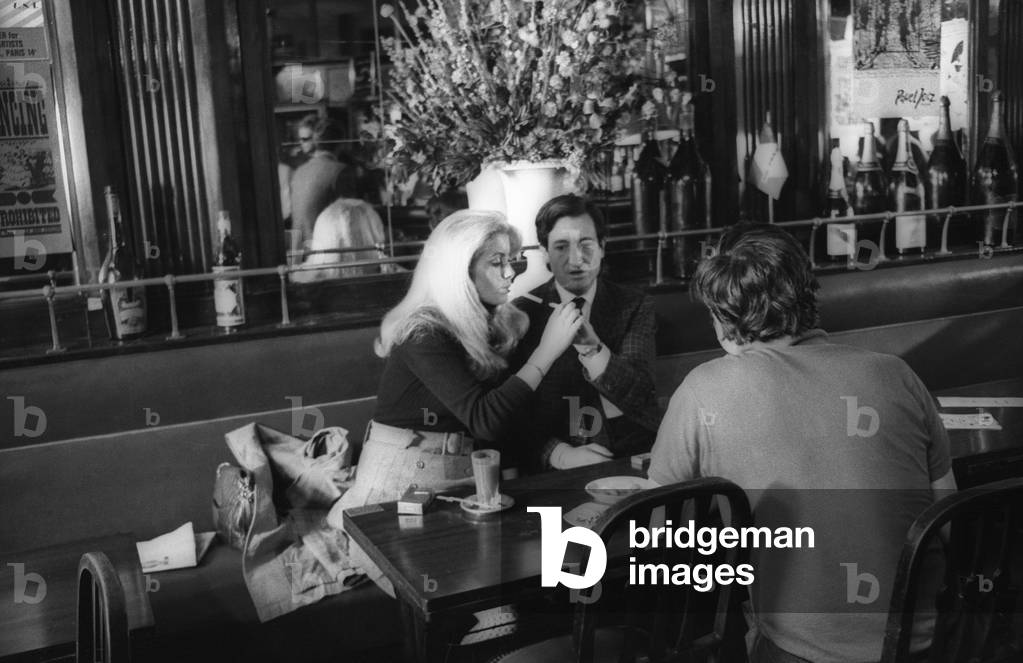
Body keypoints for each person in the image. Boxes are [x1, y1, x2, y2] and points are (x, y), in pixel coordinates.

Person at [648, 223, 956, 663]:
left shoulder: (703, 389)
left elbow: (657, 529)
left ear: (724, 318)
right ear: (808, 293)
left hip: (798, 653)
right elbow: (948, 521)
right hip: (925, 645)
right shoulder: (896, 373)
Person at [329, 209, 585, 512]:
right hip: (395, 489)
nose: (510, 273)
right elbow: (484, 420)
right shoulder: (422, 332)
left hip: (458, 482)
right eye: (496, 262)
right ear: (459, 271)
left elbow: (506, 420)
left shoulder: (490, 322)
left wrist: (561, 455)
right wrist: (547, 350)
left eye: (510, 260)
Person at [509, 194, 661, 472]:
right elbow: (512, 411)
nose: (576, 259)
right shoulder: (522, 313)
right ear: (544, 253)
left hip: (632, 447)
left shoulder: (635, 305)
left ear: (602, 247)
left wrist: (593, 350)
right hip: (558, 459)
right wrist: (559, 454)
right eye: (561, 247)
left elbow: (641, 394)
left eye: (586, 244)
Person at [289, 118, 359, 250]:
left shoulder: (299, 171)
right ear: (341, 144)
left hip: (298, 252)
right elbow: (350, 219)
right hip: (326, 252)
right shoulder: (340, 171)